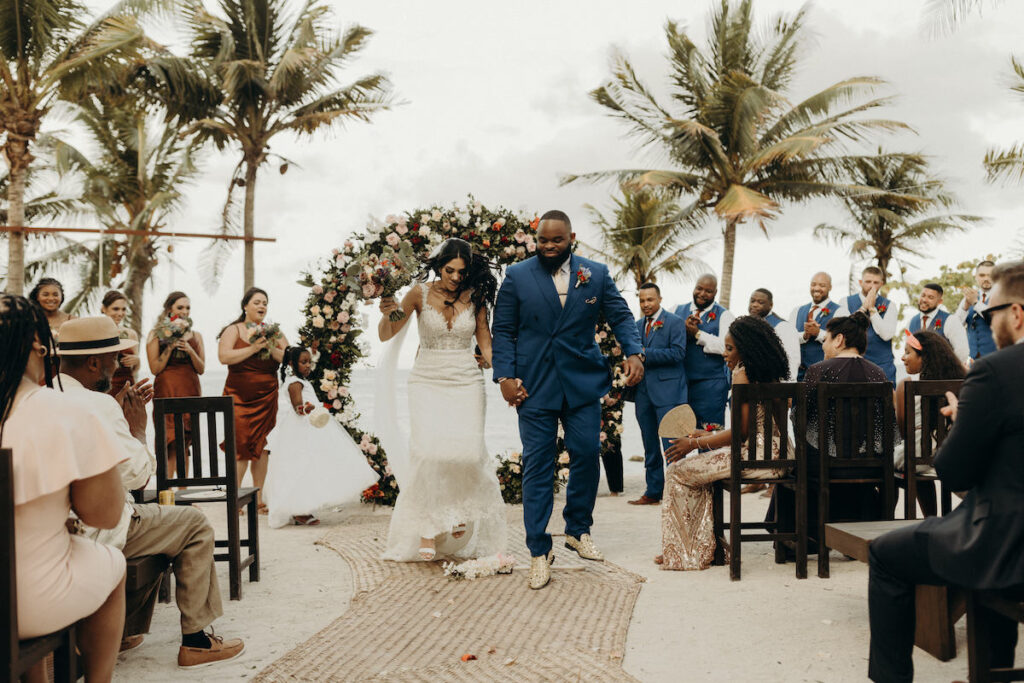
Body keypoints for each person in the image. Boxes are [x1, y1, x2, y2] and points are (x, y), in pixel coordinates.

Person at [56, 316, 245, 668]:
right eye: (114, 358)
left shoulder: (46, 394)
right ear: (94, 362)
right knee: (193, 524)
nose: (117, 365)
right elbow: (138, 478)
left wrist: (114, 413)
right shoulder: (101, 406)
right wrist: (139, 430)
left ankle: (124, 632)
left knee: (166, 525)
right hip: (99, 528)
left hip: (56, 527)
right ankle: (197, 641)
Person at [868, 260, 1024, 682]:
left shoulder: (995, 372)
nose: (988, 325)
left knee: (885, 555)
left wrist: (960, 421)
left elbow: (953, 473)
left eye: (990, 313)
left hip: (1008, 542)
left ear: (1016, 313)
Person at [492, 210, 644, 589]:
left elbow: (621, 316)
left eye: (556, 241)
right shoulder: (517, 275)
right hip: (534, 385)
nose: (548, 246)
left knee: (586, 454)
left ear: (571, 238)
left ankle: (578, 529)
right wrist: (505, 377)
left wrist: (634, 351)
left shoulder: (596, 273)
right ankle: (539, 552)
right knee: (538, 466)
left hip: (581, 382)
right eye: (542, 240)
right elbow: (504, 330)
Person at [0, 295, 126, 683]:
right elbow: (104, 515)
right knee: (112, 563)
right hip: (26, 606)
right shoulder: (65, 410)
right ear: (37, 349)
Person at [377, 238, 508, 562]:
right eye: (450, 270)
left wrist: (501, 368)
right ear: (439, 266)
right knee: (428, 453)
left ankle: (459, 510)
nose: (455, 277)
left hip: (465, 379)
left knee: (466, 452)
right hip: (427, 380)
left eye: (461, 272)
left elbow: (486, 343)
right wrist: (388, 309)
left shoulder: (475, 296)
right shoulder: (418, 293)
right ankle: (427, 527)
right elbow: (385, 334)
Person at [655, 316, 790, 570]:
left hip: (754, 457)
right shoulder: (771, 374)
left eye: (730, 349)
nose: (724, 355)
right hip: (778, 454)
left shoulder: (742, 373)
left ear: (746, 350)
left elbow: (740, 434)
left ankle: (685, 551)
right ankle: (696, 545)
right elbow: (751, 428)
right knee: (699, 470)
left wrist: (694, 444)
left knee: (677, 471)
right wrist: (701, 435)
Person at [264, 346, 377, 528]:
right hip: (301, 428)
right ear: (292, 364)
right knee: (300, 466)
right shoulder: (294, 382)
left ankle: (305, 506)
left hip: (313, 425)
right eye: (303, 362)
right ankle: (299, 510)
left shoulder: (301, 380)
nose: (308, 365)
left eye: (309, 361)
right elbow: (297, 408)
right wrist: (307, 408)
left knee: (313, 466)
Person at [218, 287, 287, 513]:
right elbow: (224, 356)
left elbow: (288, 357)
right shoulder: (233, 330)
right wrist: (253, 348)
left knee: (262, 447)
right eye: (257, 302)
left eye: (265, 303)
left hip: (266, 395)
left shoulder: (273, 332)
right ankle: (235, 497)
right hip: (237, 396)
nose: (261, 306)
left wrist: (268, 346)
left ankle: (258, 497)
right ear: (245, 306)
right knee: (239, 446)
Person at [893, 330, 965, 517]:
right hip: (953, 455)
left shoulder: (906, 384)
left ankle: (929, 517)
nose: (902, 357)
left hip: (917, 457)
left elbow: (904, 431)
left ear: (924, 356)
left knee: (905, 461)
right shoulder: (961, 379)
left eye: (908, 352)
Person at [627, 282, 686, 506]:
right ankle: (653, 492)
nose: (646, 304)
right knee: (649, 444)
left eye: (650, 300)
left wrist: (644, 353)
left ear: (659, 299)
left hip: (669, 392)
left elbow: (678, 353)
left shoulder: (675, 322)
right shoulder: (636, 325)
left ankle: (676, 493)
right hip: (643, 393)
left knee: (671, 445)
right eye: (642, 300)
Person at [147, 291, 205, 478]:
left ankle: (183, 492)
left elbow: (201, 368)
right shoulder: (156, 334)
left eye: (188, 308)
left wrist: (189, 350)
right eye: (180, 307)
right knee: (169, 440)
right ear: (169, 309)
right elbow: (155, 368)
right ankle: (167, 493)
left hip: (190, 389)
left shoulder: (196, 335)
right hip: (167, 389)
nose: (185, 311)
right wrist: (170, 346)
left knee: (185, 442)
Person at [673, 274, 734, 429]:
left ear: (715, 293)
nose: (702, 294)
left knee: (709, 436)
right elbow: (667, 341)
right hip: (681, 384)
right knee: (680, 434)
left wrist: (698, 334)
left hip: (711, 385)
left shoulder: (725, 315)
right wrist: (683, 331)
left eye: (708, 291)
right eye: (699, 288)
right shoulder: (676, 310)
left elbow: (726, 347)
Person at [845, 266, 899, 386]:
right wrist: (863, 308)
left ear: (881, 284)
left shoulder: (890, 305)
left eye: (875, 283)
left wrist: (872, 309)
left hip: (882, 365)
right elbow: (845, 331)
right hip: (853, 364)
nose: (871, 286)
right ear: (860, 282)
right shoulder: (845, 302)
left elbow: (887, 335)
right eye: (868, 282)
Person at [788, 272, 847, 381]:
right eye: (813, 284)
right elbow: (789, 338)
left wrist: (819, 333)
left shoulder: (840, 311)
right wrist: (805, 335)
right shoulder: (796, 311)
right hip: (800, 375)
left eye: (822, 285)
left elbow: (842, 341)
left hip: (826, 374)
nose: (816, 288)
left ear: (830, 287)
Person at [905, 283, 969, 364]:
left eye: (930, 297)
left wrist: (951, 369)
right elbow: (909, 351)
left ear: (939, 301)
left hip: (946, 373)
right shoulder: (911, 322)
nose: (924, 300)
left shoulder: (950, 320)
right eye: (923, 295)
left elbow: (962, 351)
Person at [747, 288, 801, 381]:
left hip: (773, 385)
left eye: (760, 302)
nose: (754, 305)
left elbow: (792, 360)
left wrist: (786, 388)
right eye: (752, 301)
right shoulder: (746, 325)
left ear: (771, 305)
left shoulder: (783, 326)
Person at [952, 259, 998, 362]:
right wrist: (965, 307)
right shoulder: (969, 297)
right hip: (972, 360)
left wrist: (975, 303)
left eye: (990, 275)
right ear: (976, 277)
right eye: (982, 275)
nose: (986, 279)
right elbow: (955, 325)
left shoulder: (1002, 295)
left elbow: (995, 318)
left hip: (996, 357)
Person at [99, 290, 141, 397]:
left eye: (123, 309)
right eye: (115, 309)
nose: (120, 313)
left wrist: (136, 361)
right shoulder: (96, 332)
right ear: (104, 308)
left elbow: (135, 369)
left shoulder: (131, 334)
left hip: (126, 386)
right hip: (104, 388)